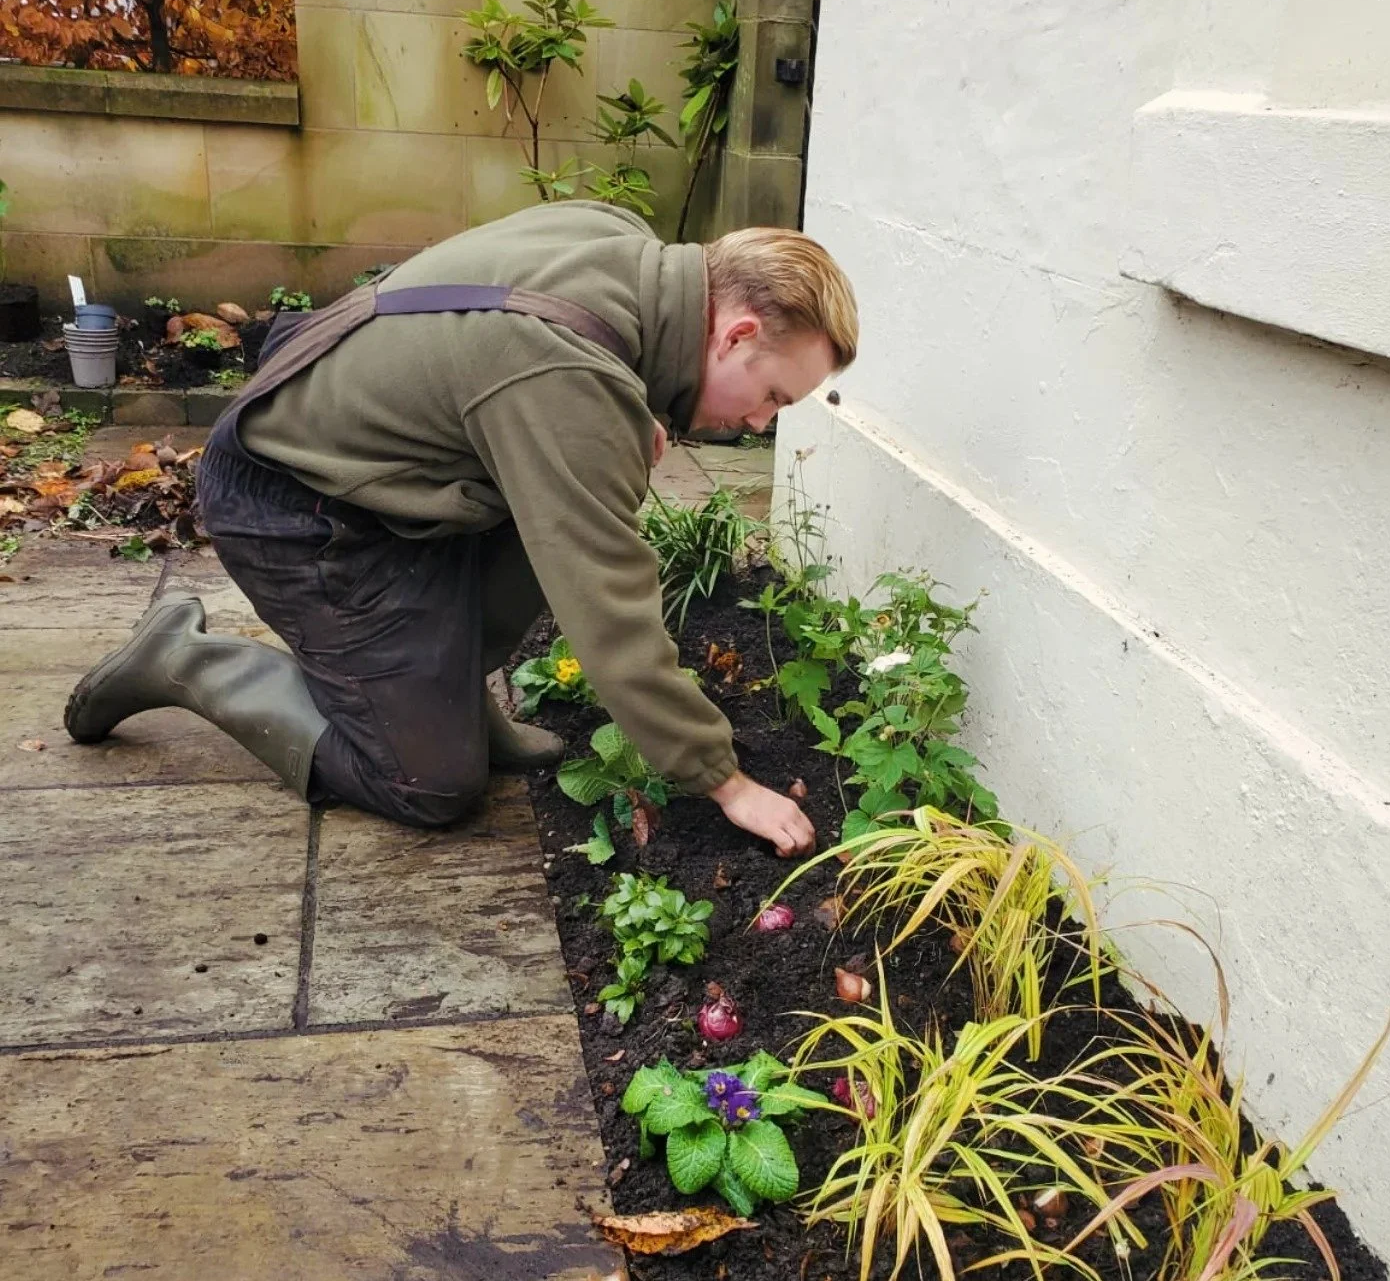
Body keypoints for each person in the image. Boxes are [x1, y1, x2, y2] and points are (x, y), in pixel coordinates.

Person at [63, 201, 858, 859]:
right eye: (773, 399)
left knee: (565, 490)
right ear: (738, 334)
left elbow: (520, 368)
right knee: (430, 784)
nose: (758, 424)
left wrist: (630, 413)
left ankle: (443, 698)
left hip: (375, 471)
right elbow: (609, 607)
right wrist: (723, 778)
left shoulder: (623, 244)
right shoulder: (566, 377)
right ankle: (185, 662)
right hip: (293, 507)